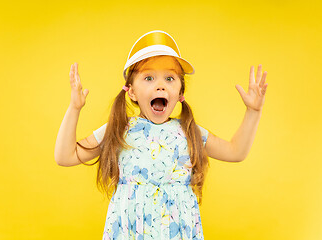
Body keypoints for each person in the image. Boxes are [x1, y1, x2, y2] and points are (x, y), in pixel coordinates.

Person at [54, 30, 268, 240]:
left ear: (180, 93)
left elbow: (236, 151)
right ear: (131, 91)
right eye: (148, 78)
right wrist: (74, 108)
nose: (160, 86)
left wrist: (253, 111)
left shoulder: (189, 131)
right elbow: (65, 156)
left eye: (169, 78)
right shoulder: (119, 129)